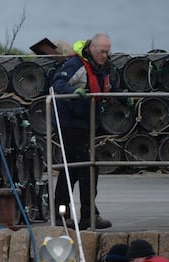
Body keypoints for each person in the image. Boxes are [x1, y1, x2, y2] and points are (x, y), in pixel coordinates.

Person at [51, 33, 119, 230]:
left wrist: (121, 96)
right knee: (83, 167)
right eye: (101, 52)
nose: (104, 55)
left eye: (107, 52)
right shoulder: (76, 64)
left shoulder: (102, 66)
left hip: (86, 123)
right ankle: (81, 215)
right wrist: (74, 93)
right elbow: (57, 84)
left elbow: (109, 86)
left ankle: (70, 214)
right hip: (69, 122)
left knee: (77, 168)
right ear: (92, 49)